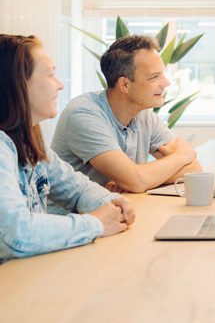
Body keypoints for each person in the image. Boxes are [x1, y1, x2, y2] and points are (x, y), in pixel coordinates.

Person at [0, 35, 135, 262]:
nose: (60, 84)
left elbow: (76, 188)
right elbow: (16, 235)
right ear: (18, 83)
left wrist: (111, 203)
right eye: (51, 74)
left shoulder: (29, 141)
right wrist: (96, 223)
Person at [52, 35, 201, 193]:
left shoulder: (143, 114)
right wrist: (180, 156)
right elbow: (137, 181)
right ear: (125, 84)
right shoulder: (83, 114)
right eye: (154, 77)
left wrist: (137, 178)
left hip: (121, 210)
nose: (166, 83)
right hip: (78, 216)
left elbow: (193, 169)